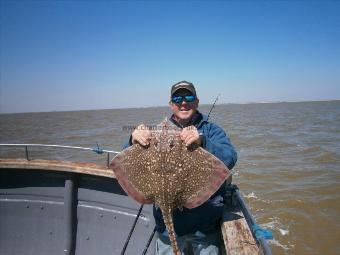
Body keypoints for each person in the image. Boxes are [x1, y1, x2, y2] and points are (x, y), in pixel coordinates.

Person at [126, 81, 237, 255]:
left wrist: (203, 141)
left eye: (189, 97)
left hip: (205, 231)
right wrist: (132, 139)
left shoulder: (211, 130)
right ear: (171, 104)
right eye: (178, 98)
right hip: (167, 231)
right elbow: (125, 163)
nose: (183, 102)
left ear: (197, 102)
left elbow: (230, 157)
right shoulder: (154, 133)